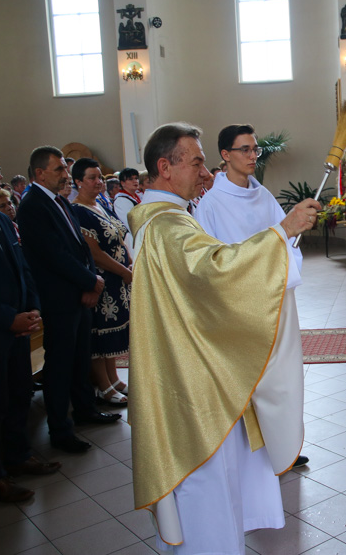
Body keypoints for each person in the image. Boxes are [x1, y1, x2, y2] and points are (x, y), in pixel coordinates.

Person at [128, 122, 320, 553]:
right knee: (207, 497)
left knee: (218, 491)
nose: (204, 172)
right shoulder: (165, 228)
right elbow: (218, 271)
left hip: (193, 368)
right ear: (165, 167)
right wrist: (282, 232)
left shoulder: (167, 220)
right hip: (195, 390)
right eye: (196, 162)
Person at [194, 123, 309, 469]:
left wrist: (295, 236)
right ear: (225, 155)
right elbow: (213, 263)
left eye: (255, 149)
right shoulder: (211, 205)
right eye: (244, 149)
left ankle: (283, 444)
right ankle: (256, 454)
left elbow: (286, 244)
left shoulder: (264, 195)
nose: (252, 156)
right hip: (242, 309)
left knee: (283, 376)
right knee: (253, 380)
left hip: (278, 300)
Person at [0, 151, 61, 502]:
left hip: (20, 327)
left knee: (19, 394)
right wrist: (8, 318)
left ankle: (19, 455)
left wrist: (33, 307)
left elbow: (23, 269)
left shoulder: (2, 220)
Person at [16, 146, 120, 454]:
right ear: (39, 174)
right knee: (60, 365)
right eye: (60, 169)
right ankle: (60, 429)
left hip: (80, 295)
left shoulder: (59, 201)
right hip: (59, 298)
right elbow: (53, 254)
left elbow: (81, 247)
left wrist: (92, 282)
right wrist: (91, 280)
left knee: (79, 358)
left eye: (65, 168)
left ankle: (85, 409)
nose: (66, 174)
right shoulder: (32, 205)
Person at [71, 158, 132, 406]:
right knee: (100, 334)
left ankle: (115, 378)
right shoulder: (78, 210)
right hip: (103, 280)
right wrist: (124, 272)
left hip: (118, 278)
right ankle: (104, 385)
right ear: (78, 182)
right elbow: (95, 253)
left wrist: (128, 262)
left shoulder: (101, 204)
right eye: (92, 178)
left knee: (113, 333)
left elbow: (118, 236)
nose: (99, 182)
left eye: (100, 177)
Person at [114, 167, 141, 247]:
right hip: (132, 239)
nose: (135, 181)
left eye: (136, 178)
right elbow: (130, 223)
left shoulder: (136, 197)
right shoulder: (121, 200)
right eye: (130, 179)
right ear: (122, 183)